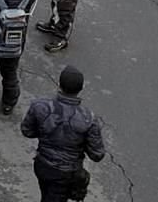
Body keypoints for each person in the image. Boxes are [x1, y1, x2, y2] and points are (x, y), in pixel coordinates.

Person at [21, 66, 105, 202]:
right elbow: (97, 154)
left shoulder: (40, 106)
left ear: (60, 84)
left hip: (42, 165)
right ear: (81, 88)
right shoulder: (88, 118)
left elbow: (27, 131)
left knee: (46, 193)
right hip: (66, 173)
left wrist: (46, 133)